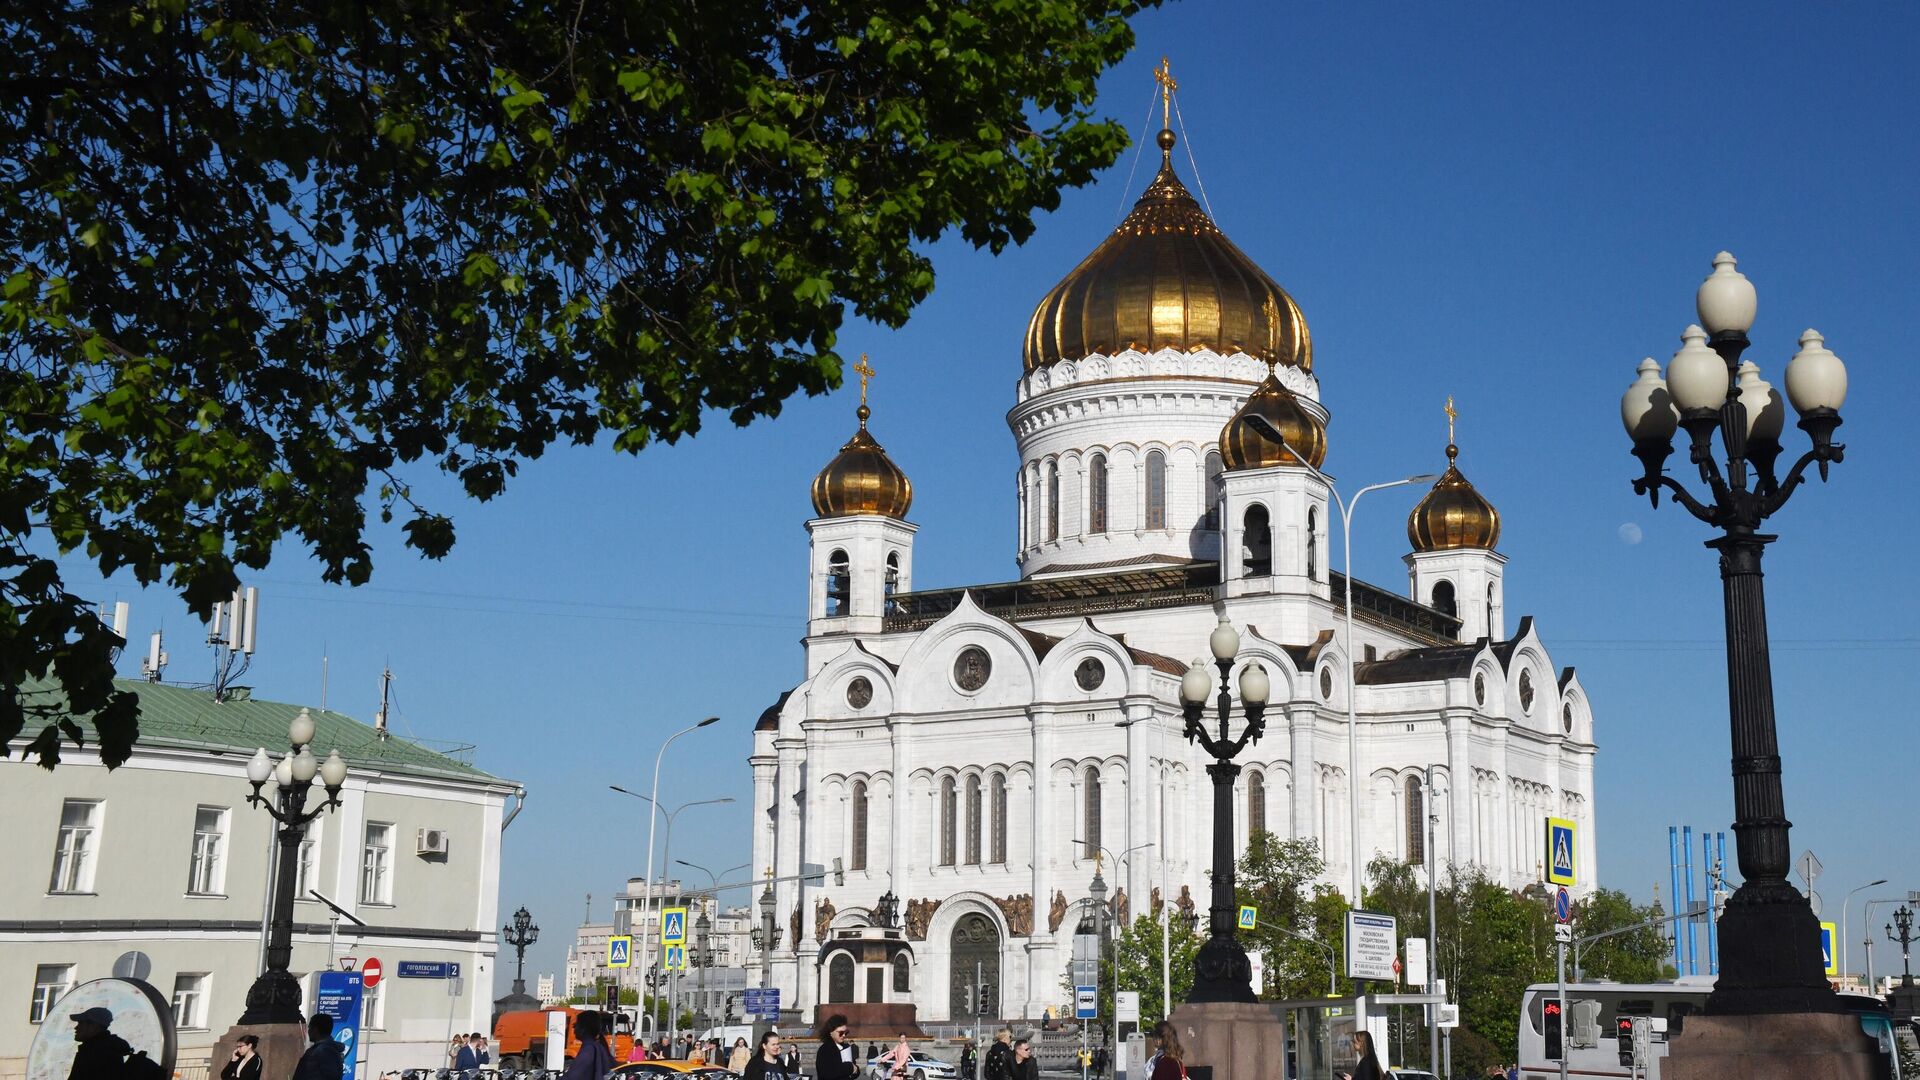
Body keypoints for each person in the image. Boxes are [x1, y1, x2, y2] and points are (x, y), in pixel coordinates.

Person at [67, 1007, 132, 1080]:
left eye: (80, 1023)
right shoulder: (109, 1049)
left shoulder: (94, 1053)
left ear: (93, 1026)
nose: (76, 1028)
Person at [563, 1011, 614, 1080]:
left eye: (576, 1025)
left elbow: (574, 1075)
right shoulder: (597, 1046)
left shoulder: (588, 1049)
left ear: (583, 1028)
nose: (574, 1030)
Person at [292, 1015, 345, 1080]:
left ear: (315, 1030)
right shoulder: (325, 1050)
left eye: (309, 1028)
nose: (308, 1031)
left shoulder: (323, 1051)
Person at [816, 1015, 858, 1080]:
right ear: (831, 1032)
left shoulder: (845, 1047)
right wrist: (850, 1067)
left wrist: (856, 1070)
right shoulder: (825, 1049)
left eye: (846, 1032)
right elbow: (827, 1073)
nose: (844, 1035)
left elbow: (854, 1067)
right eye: (841, 1033)